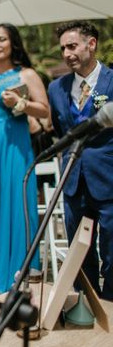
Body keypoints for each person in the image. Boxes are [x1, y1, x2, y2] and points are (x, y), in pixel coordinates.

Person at [0, 23, 49, 293]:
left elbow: (45, 113)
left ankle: (17, 276)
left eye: (2, 39)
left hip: (15, 147)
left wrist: (20, 104)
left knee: (16, 205)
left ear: (13, 43)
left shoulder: (27, 74)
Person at [48, 20, 113, 300]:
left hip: (110, 179)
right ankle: (85, 310)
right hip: (73, 181)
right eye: (63, 48)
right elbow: (61, 129)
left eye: (72, 46)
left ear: (91, 44)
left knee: (112, 253)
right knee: (79, 254)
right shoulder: (56, 88)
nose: (67, 53)